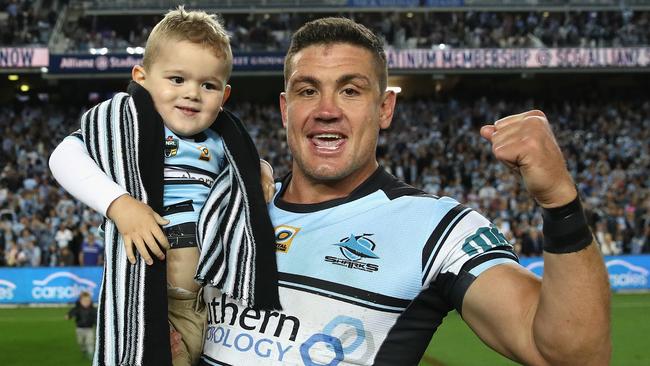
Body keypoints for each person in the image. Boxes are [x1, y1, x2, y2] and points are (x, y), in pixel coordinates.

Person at [193, 17, 610, 365]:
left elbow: (572, 356)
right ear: (286, 110)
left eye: (351, 90)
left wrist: (560, 203)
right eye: (308, 91)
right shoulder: (231, 208)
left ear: (385, 109)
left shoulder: (438, 229)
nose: (326, 110)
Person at [49, 7, 278, 366]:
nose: (192, 93)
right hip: (151, 298)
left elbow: (238, 190)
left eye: (208, 85)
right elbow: (63, 156)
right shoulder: (126, 126)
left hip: (213, 303)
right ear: (141, 78)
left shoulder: (223, 142)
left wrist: (259, 168)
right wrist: (120, 205)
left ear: (225, 95)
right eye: (177, 79)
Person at [66, 291, 97, 360]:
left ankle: (91, 354)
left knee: (90, 342)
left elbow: (96, 317)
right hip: (79, 329)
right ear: (80, 301)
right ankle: (84, 350)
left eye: (88, 301)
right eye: (84, 301)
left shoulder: (93, 310)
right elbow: (72, 312)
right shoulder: (77, 308)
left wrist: (97, 323)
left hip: (89, 329)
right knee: (81, 342)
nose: (86, 302)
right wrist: (68, 316)